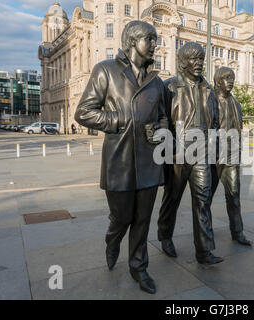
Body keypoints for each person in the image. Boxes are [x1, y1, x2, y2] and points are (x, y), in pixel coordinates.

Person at [75, 21, 168, 294]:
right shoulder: (106, 70)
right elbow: (83, 112)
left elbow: (163, 117)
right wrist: (118, 118)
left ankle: (139, 267)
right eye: (149, 39)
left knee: (142, 220)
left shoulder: (156, 82)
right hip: (120, 162)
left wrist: (160, 128)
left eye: (155, 39)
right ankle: (112, 239)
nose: (154, 44)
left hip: (150, 162)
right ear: (132, 41)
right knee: (122, 218)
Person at [157, 42, 223, 265]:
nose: (199, 64)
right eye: (194, 59)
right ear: (183, 62)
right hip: (177, 153)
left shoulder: (208, 90)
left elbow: (214, 121)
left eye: (201, 59)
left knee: (203, 201)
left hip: (202, 152)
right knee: (172, 198)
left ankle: (204, 251)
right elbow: (162, 121)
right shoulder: (169, 87)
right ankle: (165, 236)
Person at [209, 67, 251, 246]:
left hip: (232, 155)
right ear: (218, 80)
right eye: (226, 78)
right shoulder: (209, 101)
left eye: (232, 78)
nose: (230, 81)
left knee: (234, 195)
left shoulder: (236, 103)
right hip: (212, 157)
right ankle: (205, 230)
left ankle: (237, 231)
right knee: (205, 198)